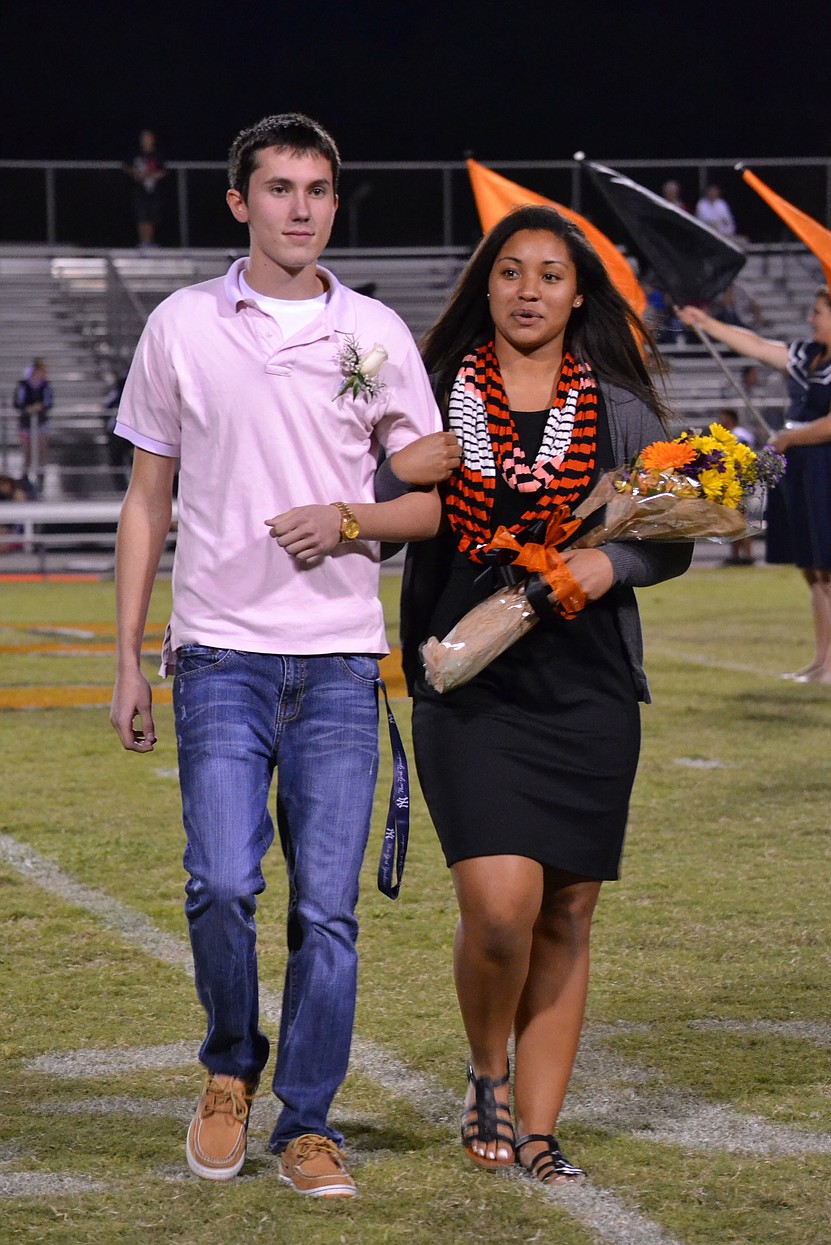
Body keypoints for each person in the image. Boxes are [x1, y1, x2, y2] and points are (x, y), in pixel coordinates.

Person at [109, 112, 450, 1196]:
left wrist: (350, 517)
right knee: (218, 882)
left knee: (325, 910)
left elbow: (427, 507)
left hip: (342, 667)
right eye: (279, 189)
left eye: (317, 190)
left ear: (334, 204)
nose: (300, 208)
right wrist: (126, 657)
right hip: (216, 656)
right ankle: (227, 1068)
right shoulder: (180, 325)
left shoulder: (377, 333)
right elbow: (146, 500)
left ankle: (308, 1120)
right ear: (239, 203)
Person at [393, 206, 692, 1185]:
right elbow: (382, 514)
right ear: (484, 284)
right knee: (498, 904)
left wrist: (611, 571)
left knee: (566, 910)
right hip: (464, 680)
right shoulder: (430, 394)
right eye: (511, 272)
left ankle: (536, 1128)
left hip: (587, 686)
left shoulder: (617, 407)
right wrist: (386, 473)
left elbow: (673, 528)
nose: (529, 291)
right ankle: (487, 1068)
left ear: (578, 295)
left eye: (550, 275)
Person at [680, 289, 831, 682]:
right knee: (813, 569)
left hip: (830, 465)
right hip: (805, 465)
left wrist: (789, 439)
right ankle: (822, 660)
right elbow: (757, 346)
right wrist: (707, 323)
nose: (811, 318)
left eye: (819, 312)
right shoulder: (809, 355)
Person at [715, 408, 756, 564]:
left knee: (741, 521)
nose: (720, 422)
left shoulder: (739, 435)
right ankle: (736, 556)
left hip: (740, 484)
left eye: (722, 418)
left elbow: (741, 458)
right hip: (733, 483)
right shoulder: (734, 434)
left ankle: (747, 555)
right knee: (733, 521)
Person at [13, 358, 53, 493]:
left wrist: (40, 407)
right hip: (26, 424)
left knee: (42, 453)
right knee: (28, 453)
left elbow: (49, 402)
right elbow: (18, 403)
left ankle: (40, 482)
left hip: (41, 423)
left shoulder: (45, 385)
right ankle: (24, 483)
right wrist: (28, 408)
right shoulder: (24, 385)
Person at [124, 129, 168, 251]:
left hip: (153, 190)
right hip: (139, 190)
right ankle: (143, 241)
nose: (146, 140)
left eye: (148, 138)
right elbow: (127, 166)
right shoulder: (136, 153)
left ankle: (149, 241)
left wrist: (152, 175)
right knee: (141, 215)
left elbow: (163, 171)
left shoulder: (157, 155)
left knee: (152, 215)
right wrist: (136, 174)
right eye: (144, 138)